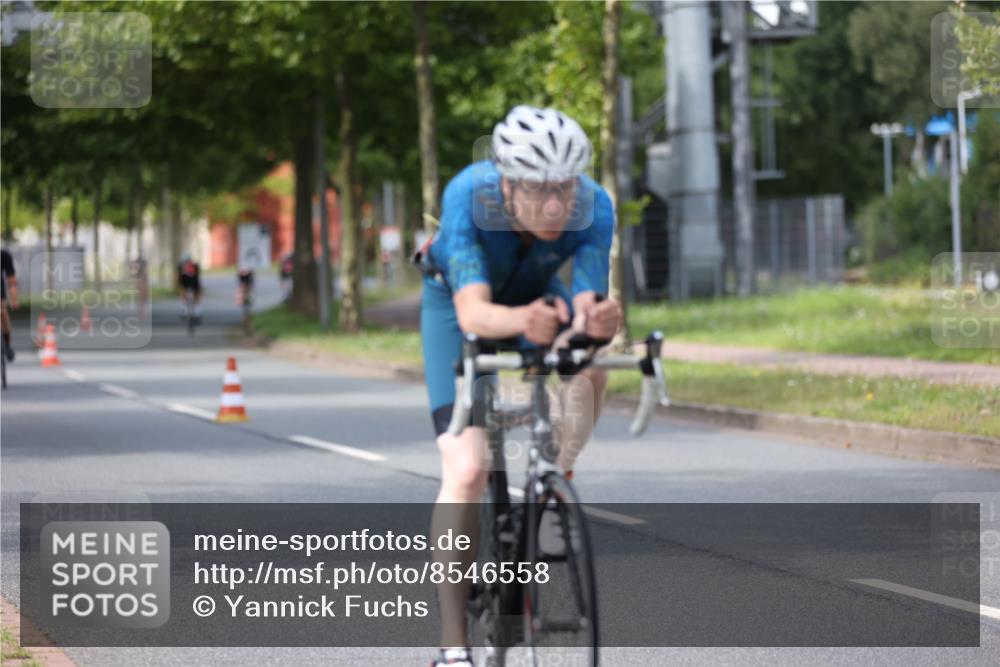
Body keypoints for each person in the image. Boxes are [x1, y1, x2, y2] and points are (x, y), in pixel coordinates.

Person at [418, 106, 622, 667]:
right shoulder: (468, 196)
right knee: (467, 469)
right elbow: (474, 313)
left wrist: (600, 321)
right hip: (457, 307)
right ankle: (454, 644)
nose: (555, 205)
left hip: (537, 302)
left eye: (564, 188)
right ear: (506, 183)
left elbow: (584, 305)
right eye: (537, 190)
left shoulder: (595, 205)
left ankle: (553, 481)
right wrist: (522, 322)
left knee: (595, 368)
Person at [1, 247, 18, 361]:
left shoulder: (4, 256)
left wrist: (14, 299)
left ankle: (7, 345)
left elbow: (11, 281)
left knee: (2, 310)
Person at [177, 252, 202, 321]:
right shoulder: (195, 265)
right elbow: (197, 277)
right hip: (193, 282)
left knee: (183, 291)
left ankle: (184, 310)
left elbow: (179, 277)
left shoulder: (181, 265)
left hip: (186, 282)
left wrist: (179, 285)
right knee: (196, 294)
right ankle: (197, 311)